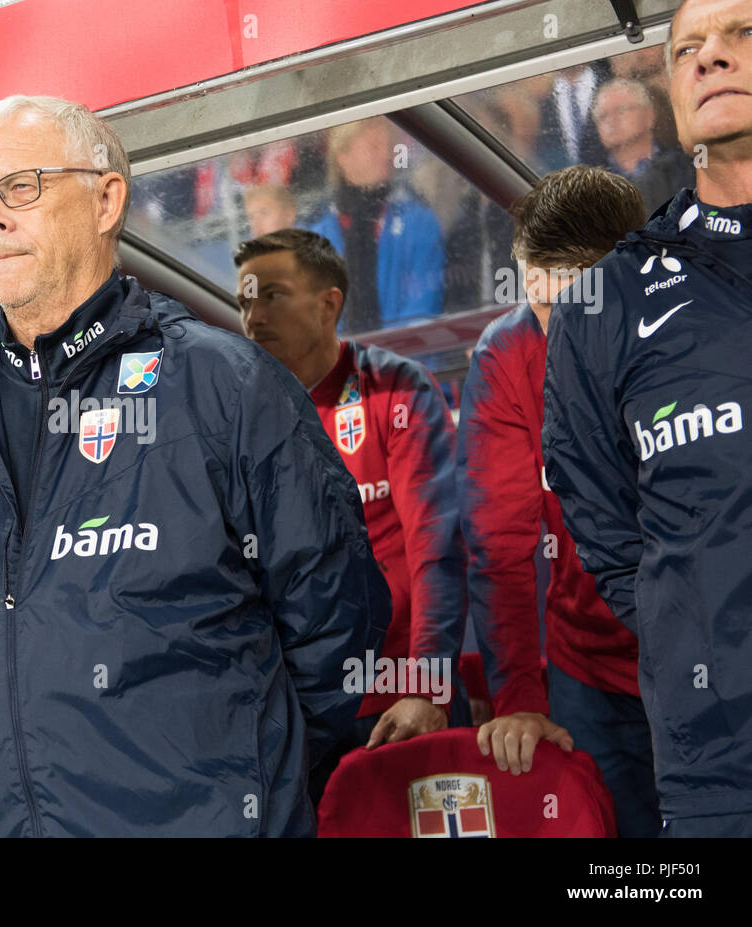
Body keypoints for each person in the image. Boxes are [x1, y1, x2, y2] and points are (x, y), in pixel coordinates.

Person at [0, 94, 391, 837]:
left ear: (107, 199)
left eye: (20, 186)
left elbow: (337, 615)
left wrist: (238, 789)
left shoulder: (223, 385)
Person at [543, 0, 752, 838]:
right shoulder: (610, 298)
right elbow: (605, 523)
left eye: (743, 33)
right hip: (721, 763)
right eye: (687, 48)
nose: (712, 57)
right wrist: (689, 618)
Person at [458, 165, 659, 837]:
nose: (552, 328)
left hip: (715, 656)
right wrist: (518, 695)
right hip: (588, 671)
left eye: (568, 304)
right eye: (536, 302)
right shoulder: (506, 356)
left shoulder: (696, 330)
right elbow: (499, 545)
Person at [236, 229, 469, 800]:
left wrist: (429, 687)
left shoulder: (394, 389)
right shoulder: (239, 418)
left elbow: (434, 547)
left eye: (272, 295)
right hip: (299, 716)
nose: (253, 318)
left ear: (329, 304)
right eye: (243, 300)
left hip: (403, 696)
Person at [310, 118, 446, 332]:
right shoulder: (316, 234)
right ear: (343, 157)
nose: (386, 155)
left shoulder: (418, 221)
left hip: (406, 360)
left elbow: (423, 308)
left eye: (389, 147)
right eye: (374, 147)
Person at [592, 78, 695, 213]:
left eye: (622, 110)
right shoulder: (593, 185)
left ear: (650, 115)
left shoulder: (686, 165)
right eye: (603, 116)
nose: (611, 120)